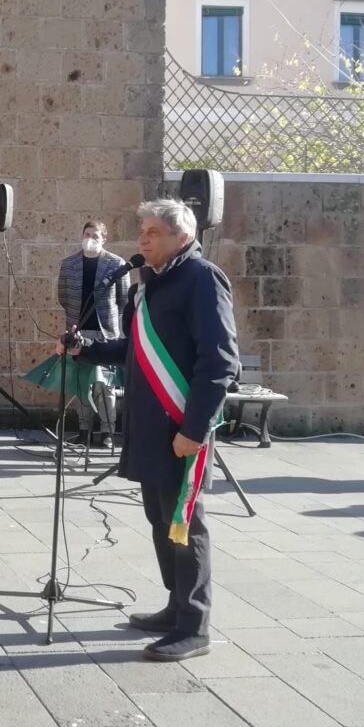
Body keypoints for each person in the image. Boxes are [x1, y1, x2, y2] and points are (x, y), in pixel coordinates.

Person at [58, 200, 238, 661]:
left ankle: (194, 626)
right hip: (147, 428)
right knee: (160, 521)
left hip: (181, 429)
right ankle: (176, 606)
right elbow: (133, 349)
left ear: (182, 237)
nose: (142, 239)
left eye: (153, 232)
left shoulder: (202, 279)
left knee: (184, 524)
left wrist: (194, 430)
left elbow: (220, 361)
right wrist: (85, 349)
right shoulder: (148, 285)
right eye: (142, 231)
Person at [57, 219, 130, 450]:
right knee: (82, 384)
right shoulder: (69, 264)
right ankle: (83, 430)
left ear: (104, 239)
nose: (90, 239)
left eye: (95, 236)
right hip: (78, 331)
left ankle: (107, 431)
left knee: (104, 386)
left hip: (105, 333)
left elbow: (124, 300)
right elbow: (63, 297)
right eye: (87, 234)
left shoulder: (116, 264)